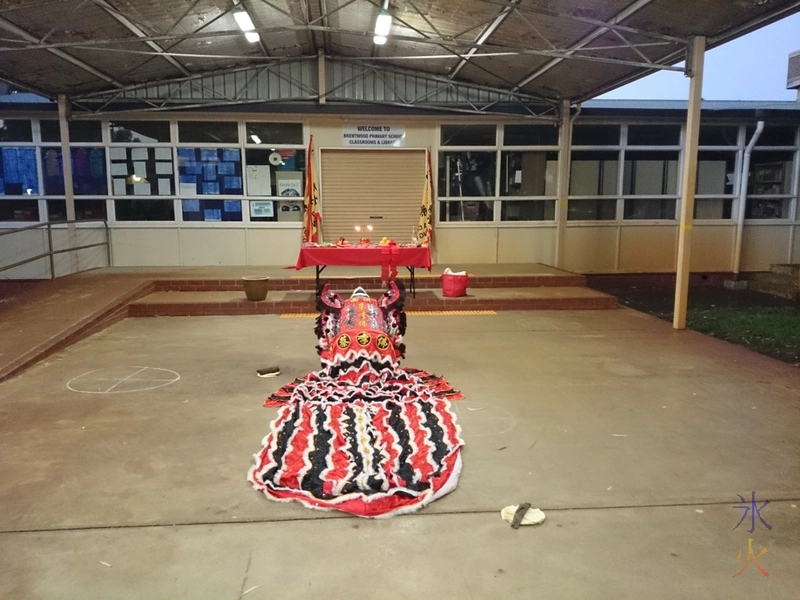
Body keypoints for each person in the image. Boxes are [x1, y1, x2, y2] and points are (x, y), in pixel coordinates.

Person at [248, 281, 464, 518]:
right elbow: (397, 340)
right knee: (409, 434)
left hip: (342, 368)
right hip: (382, 367)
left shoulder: (340, 309)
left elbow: (326, 347)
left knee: (313, 440)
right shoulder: (381, 306)